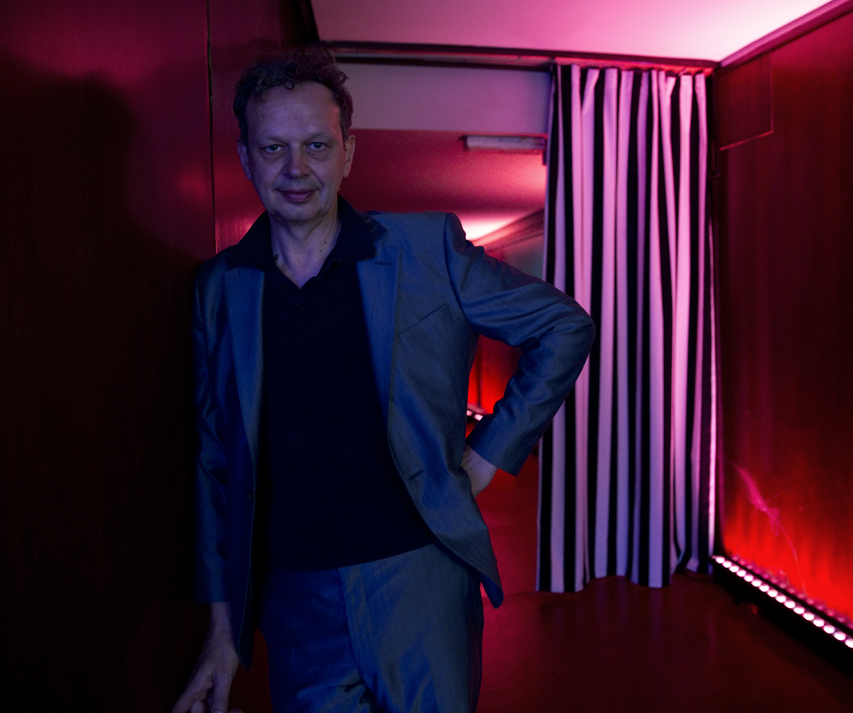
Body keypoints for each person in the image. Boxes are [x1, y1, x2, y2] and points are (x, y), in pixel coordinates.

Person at [172, 49, 593, 713]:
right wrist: (222, 630)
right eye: (273, 147)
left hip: (419, 576)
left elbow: (563, 325)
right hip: (295, 601)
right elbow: (213, 465)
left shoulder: (426, 250)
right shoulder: (218, 288)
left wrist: (488, 453)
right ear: (246, 156)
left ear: (347, 150)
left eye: (316, 144)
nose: (295, 169)